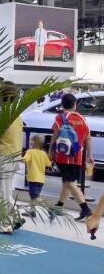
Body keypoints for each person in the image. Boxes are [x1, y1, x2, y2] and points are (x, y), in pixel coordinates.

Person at [50, 93, 94, 222]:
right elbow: (88, 138)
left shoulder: (59, 117)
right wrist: (90, 155)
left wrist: (50, 150)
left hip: (63, 155)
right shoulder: (82, 119)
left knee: (70, 182)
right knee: (67, 182)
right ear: (75, 105)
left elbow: (55, 135)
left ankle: (85, 209)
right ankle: (58, 207)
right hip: (77, 156)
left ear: (62, 105)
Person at [0, 82, 24, 233]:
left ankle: (6, 224)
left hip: (3, 156)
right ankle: (15, 215)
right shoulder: (17, 114)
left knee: (2, 192)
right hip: (13, 155)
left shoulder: (1, 113)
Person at [22, 135, 52, 218]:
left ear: (34, 143)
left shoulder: (30, 151)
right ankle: (32, 211)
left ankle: (50, 209)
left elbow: (25, 159)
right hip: (41, 179)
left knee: (35, 196)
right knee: (33, 196)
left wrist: (18, 158)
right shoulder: (43, 153)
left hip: (33, 178)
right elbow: (48, 164)